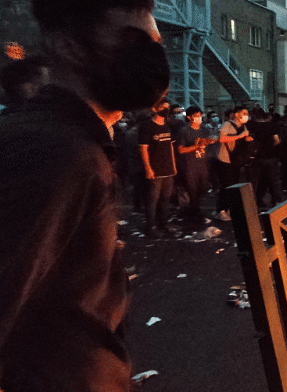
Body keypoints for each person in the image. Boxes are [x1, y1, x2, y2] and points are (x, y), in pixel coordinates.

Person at [0, 0, 170, 390]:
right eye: (131, 40)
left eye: (155, 42)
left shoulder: (74, 141)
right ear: (67, 47)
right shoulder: (55, 151)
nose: (151, 55)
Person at [139, 98, 178, 237]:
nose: (166, 109)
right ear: (155, 109)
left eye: (167, 107)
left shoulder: (167, 126)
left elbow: (171, 147)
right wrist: (148, 168)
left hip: (168, 169)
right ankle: (150, 227)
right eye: (163, 106)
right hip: (155, 170)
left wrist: (174, 166)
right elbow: (143, 149)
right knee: (152, 200)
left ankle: (164, 223)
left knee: (165, 199)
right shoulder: (147, 126)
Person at [176, 106, 214, 226]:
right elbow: (181, 150)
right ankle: (195, 215)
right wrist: (196, 147)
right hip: (190, 165)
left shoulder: (203, 130)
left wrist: (210, 141)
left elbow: (210, 140)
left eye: (200, 115)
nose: (199, 118)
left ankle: (192, 212)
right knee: (192, 190)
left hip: (202, 163)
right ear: (189, 117)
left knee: (202, 189)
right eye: (196, 116)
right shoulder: (184, 131)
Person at [212, 106, 252, 221]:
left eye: (247, 113)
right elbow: (221, 139)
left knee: (234, 186)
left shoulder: (243, 126)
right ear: (237, 114)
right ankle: (221, 210)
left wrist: (247, 139)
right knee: (226, 186)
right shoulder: (227, 125)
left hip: (236, 161)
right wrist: (241, 136)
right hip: (224, 160)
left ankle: (229, 209)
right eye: (244, 113)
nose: (246, 116)